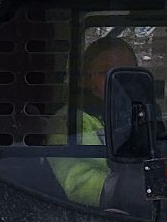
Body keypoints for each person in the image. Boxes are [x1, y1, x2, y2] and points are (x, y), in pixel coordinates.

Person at [49, 36, 137, 206]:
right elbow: (78, 185)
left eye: (127, 71)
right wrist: (125, 188)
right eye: (107, 73)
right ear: (86, 79)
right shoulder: (67, 123)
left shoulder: (141, 113)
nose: (118, 79)